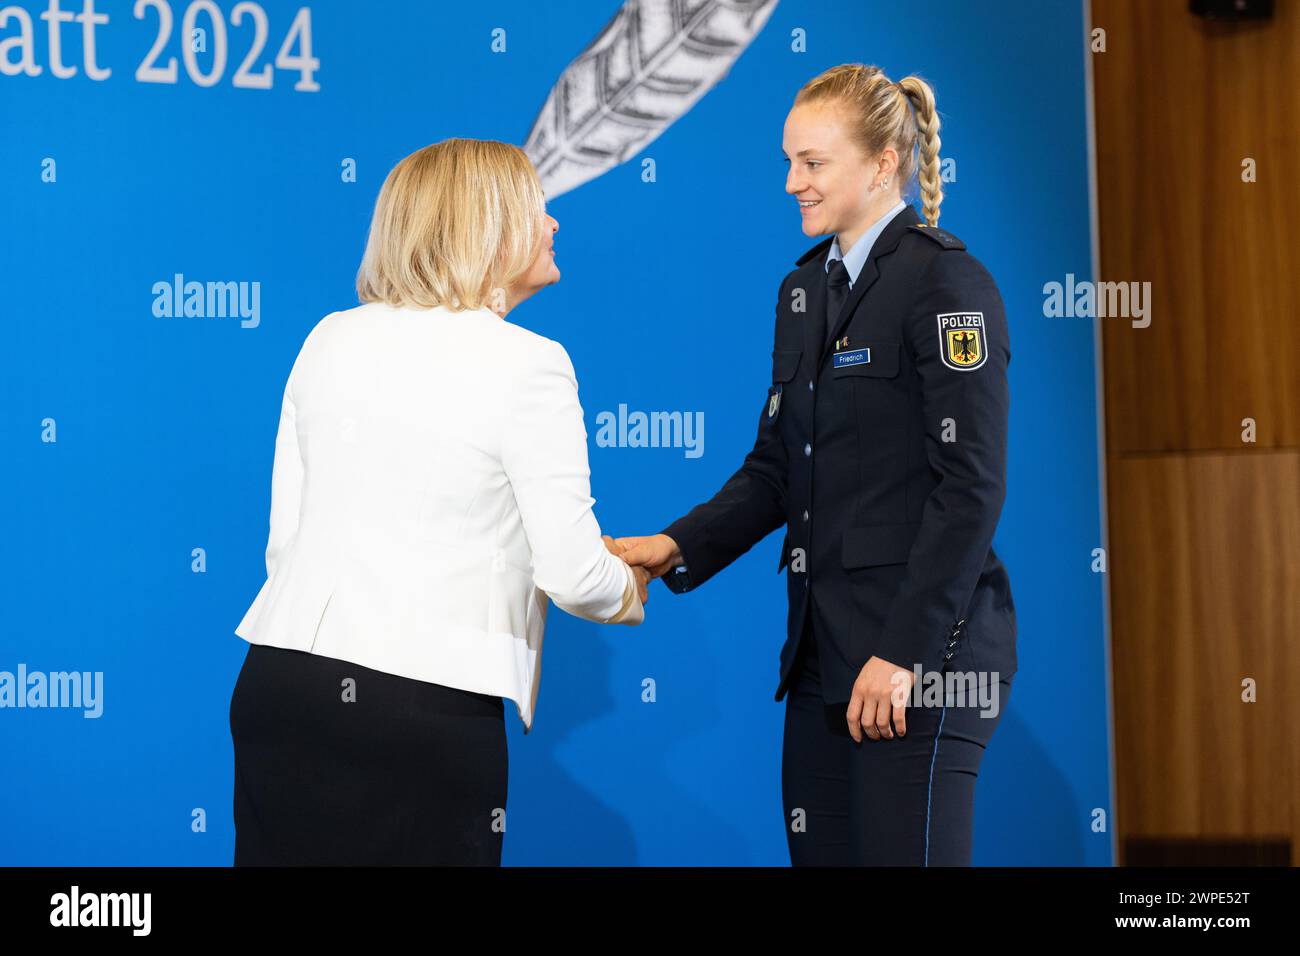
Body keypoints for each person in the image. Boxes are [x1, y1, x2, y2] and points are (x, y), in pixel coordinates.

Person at [616, 64, 1017, 866]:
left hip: (923, 663)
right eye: (789, 161)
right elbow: (777, 468)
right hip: (823, 664)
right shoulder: (803, 290)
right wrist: (676, 545)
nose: (792, 182)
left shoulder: (945, 281)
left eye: (813, 162)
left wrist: (903, 653)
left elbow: (970, 487)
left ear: (881, 164)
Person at [229, 138, 648, 866]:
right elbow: (577, 576)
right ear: (488, 225)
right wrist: (629, 585)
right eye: (537, 208)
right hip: (421, 710)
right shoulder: (530, 364)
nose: (553, 225)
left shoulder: (329, 337)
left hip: (280, 687)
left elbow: (284, 547)